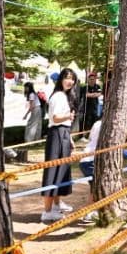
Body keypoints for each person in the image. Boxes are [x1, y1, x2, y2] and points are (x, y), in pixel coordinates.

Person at [41, 68, 78, 222]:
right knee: (53, 170)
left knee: (61, 170)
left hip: (63, 134)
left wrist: (69, 138)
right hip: (56, 134)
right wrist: (68, 116)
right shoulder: (58, 96)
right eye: (67, 78)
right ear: (61, 79)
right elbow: (55, 118)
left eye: (72, 78)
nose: (70, 81)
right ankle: (47, 211)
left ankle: (56, 205)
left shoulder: (64, 95)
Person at [78, 118, 102, 224]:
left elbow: (91, 138)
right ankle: (89, 212)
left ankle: (93, 210)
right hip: (91, 159)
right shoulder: (106, 124)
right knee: (95, 187)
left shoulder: (96, 123)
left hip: (85, 158)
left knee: (95, 186)